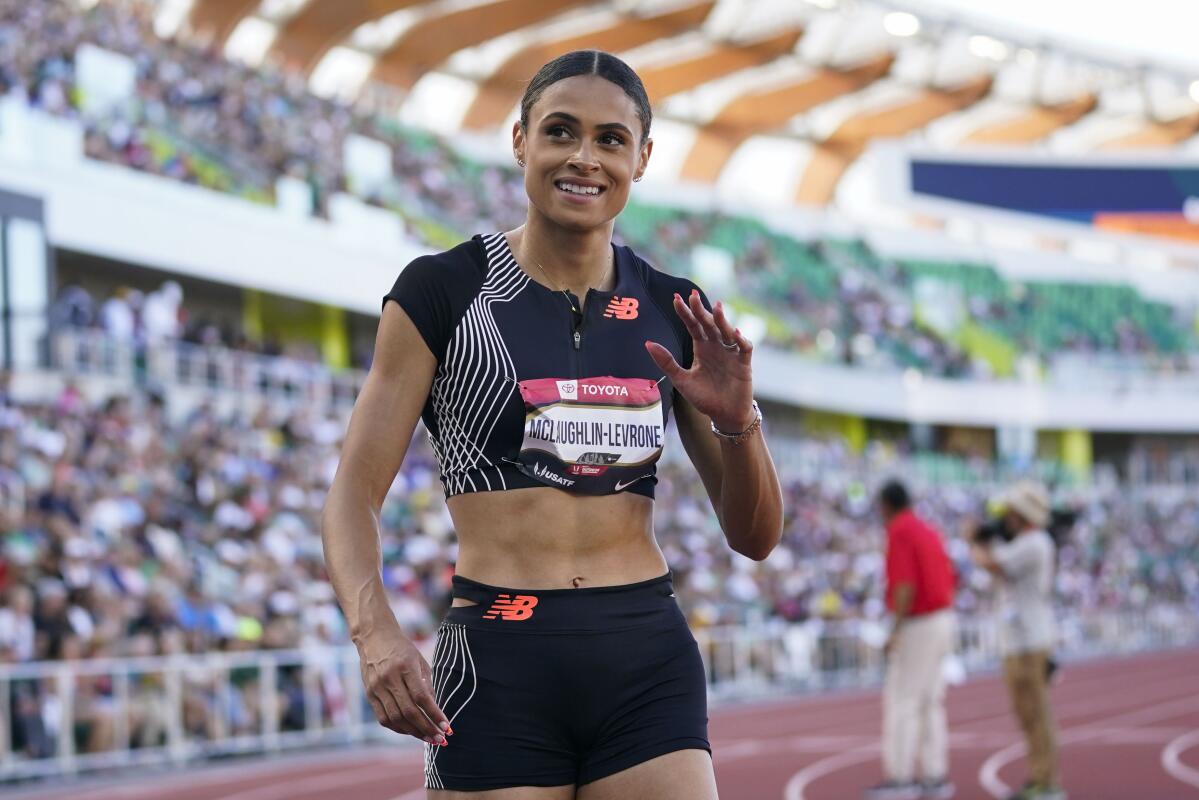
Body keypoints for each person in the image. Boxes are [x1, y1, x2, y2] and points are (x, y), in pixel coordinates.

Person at [321, 50, 783, 799]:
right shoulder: (441, 292)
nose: (583, 158)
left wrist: (739, 423)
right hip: (498, 656)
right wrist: (374, 634)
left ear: (642, 157)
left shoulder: (677, 309)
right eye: (560, 132)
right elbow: (351, 496)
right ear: (519, 141)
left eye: (610, 139)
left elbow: (756, 537)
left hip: (644, 654)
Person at [970, 480, 1063, 800]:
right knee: (1027, 713)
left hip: (1030, 643)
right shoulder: (1027, 542)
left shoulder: (1034, 543)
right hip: (1020, 640)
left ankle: (1047, 781)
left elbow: (993, 562)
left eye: (1011, 511)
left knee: (1037, 712)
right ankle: (1040, 777)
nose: (1006, 516)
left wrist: (974, 542)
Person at [866, 480, 956, 800]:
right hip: (943, 616)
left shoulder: (900, 530)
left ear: (886, 505)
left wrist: (895, 630)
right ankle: (934, 775)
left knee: (902, 698)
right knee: (931, 699)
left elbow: (904, 584)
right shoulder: (927, 529)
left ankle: (899, 778)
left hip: (919, 620)